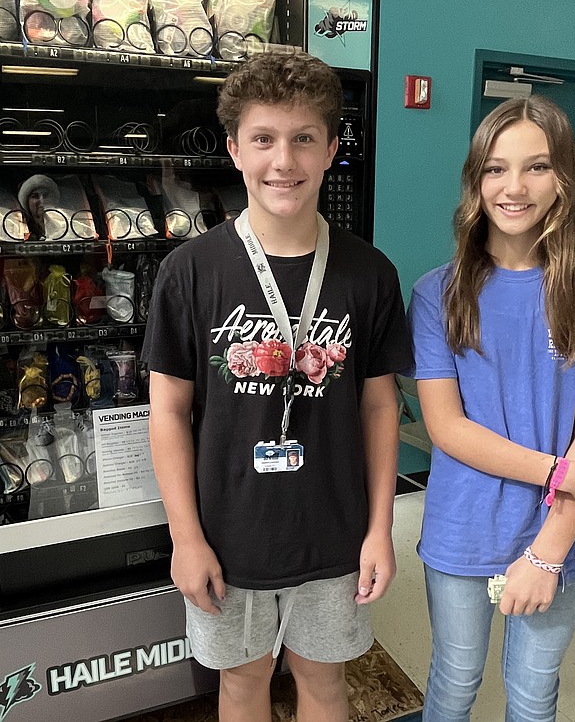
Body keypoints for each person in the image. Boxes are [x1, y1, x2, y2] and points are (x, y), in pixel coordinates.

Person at [142, 51, 412, 722]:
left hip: (334, 530)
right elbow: (169, 412)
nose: (282, 161)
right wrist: (186, 538)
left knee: (324, 686)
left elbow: (381, 406)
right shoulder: (190, 272)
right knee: (241, 685)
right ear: (235, 149)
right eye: (263, 139)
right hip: (228, 532)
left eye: (302, 139)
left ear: (331, 149)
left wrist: (381, 529)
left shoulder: (368, 274)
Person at [408, 95, 575, 722]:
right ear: (475, 180)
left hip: (558, 531)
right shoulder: (438, 293)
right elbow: (447, 428)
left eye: (536, 166)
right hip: (463, 525)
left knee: (534, 693)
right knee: (454, 684)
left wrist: (545, 554)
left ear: (563, 178)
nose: (514, 187)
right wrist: (562, 473)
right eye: (495, 168)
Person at [17, 173, 60, 240]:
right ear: (27, 202)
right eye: (35, 196)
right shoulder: (19, 231)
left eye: (45, 195)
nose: (42, 201)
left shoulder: (65, 228)